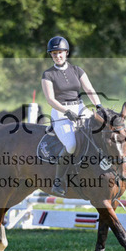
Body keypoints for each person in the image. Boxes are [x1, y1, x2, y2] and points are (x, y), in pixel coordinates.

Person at [41, 36, 104, 196]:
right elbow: (50, 99)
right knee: (71, 145)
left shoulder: (77, 70)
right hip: (60, 111)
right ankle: (58, 181)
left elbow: (89, 89)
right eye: (54, 53)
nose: (57, 56)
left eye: (60, 52)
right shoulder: (48, 74)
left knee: (100, 131)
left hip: (80, 107)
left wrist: (98, 106)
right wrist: (66, 111)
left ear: (66, 52)